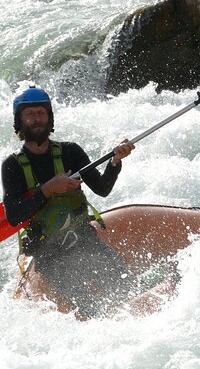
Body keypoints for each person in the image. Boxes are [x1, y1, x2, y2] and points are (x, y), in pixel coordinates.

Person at [2, 86, 137, 320]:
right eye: (30, 114)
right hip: (49, 254)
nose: (36, 119)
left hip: (84, 239)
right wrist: (46, 190)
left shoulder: (70, 152)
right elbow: (14, 215)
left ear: (49, 117)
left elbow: (102, 189)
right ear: (20, 122)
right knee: (88, 310)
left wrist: (115, 161)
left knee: (127, 287)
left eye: (41, 113)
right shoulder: (12, 166)